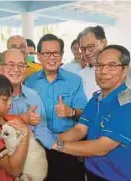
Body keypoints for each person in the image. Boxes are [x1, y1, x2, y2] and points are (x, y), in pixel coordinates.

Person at [37, 45, 131, 181]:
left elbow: (102, 147)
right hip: (92, 172)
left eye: (112, 66)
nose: (103, 71)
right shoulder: (96, 99)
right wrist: (47, 138)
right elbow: (79, 130)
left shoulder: (126, 104)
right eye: (99, 65)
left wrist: (54, 144)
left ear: (124, 70)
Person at [25, 34, 87, 181]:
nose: (51, 57)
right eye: (46, 53)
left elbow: (84, 114)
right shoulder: (29, 81)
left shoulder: (75, 80)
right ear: (39, 56)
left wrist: (71, 112)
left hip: (67, 145)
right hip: (38, 146)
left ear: (61, 55)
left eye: (56, 53)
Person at [0, 49, 47, 127]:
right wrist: (22, 119)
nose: (16, 70)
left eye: (21, 65)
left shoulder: (33, 95)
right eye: (11, 65)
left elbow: (43, 129)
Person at [78, 25, 107, 100]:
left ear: (103, 42)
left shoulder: (123, 71)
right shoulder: (79, 77)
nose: (87, 52)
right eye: (83, 49)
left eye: (90, 47)